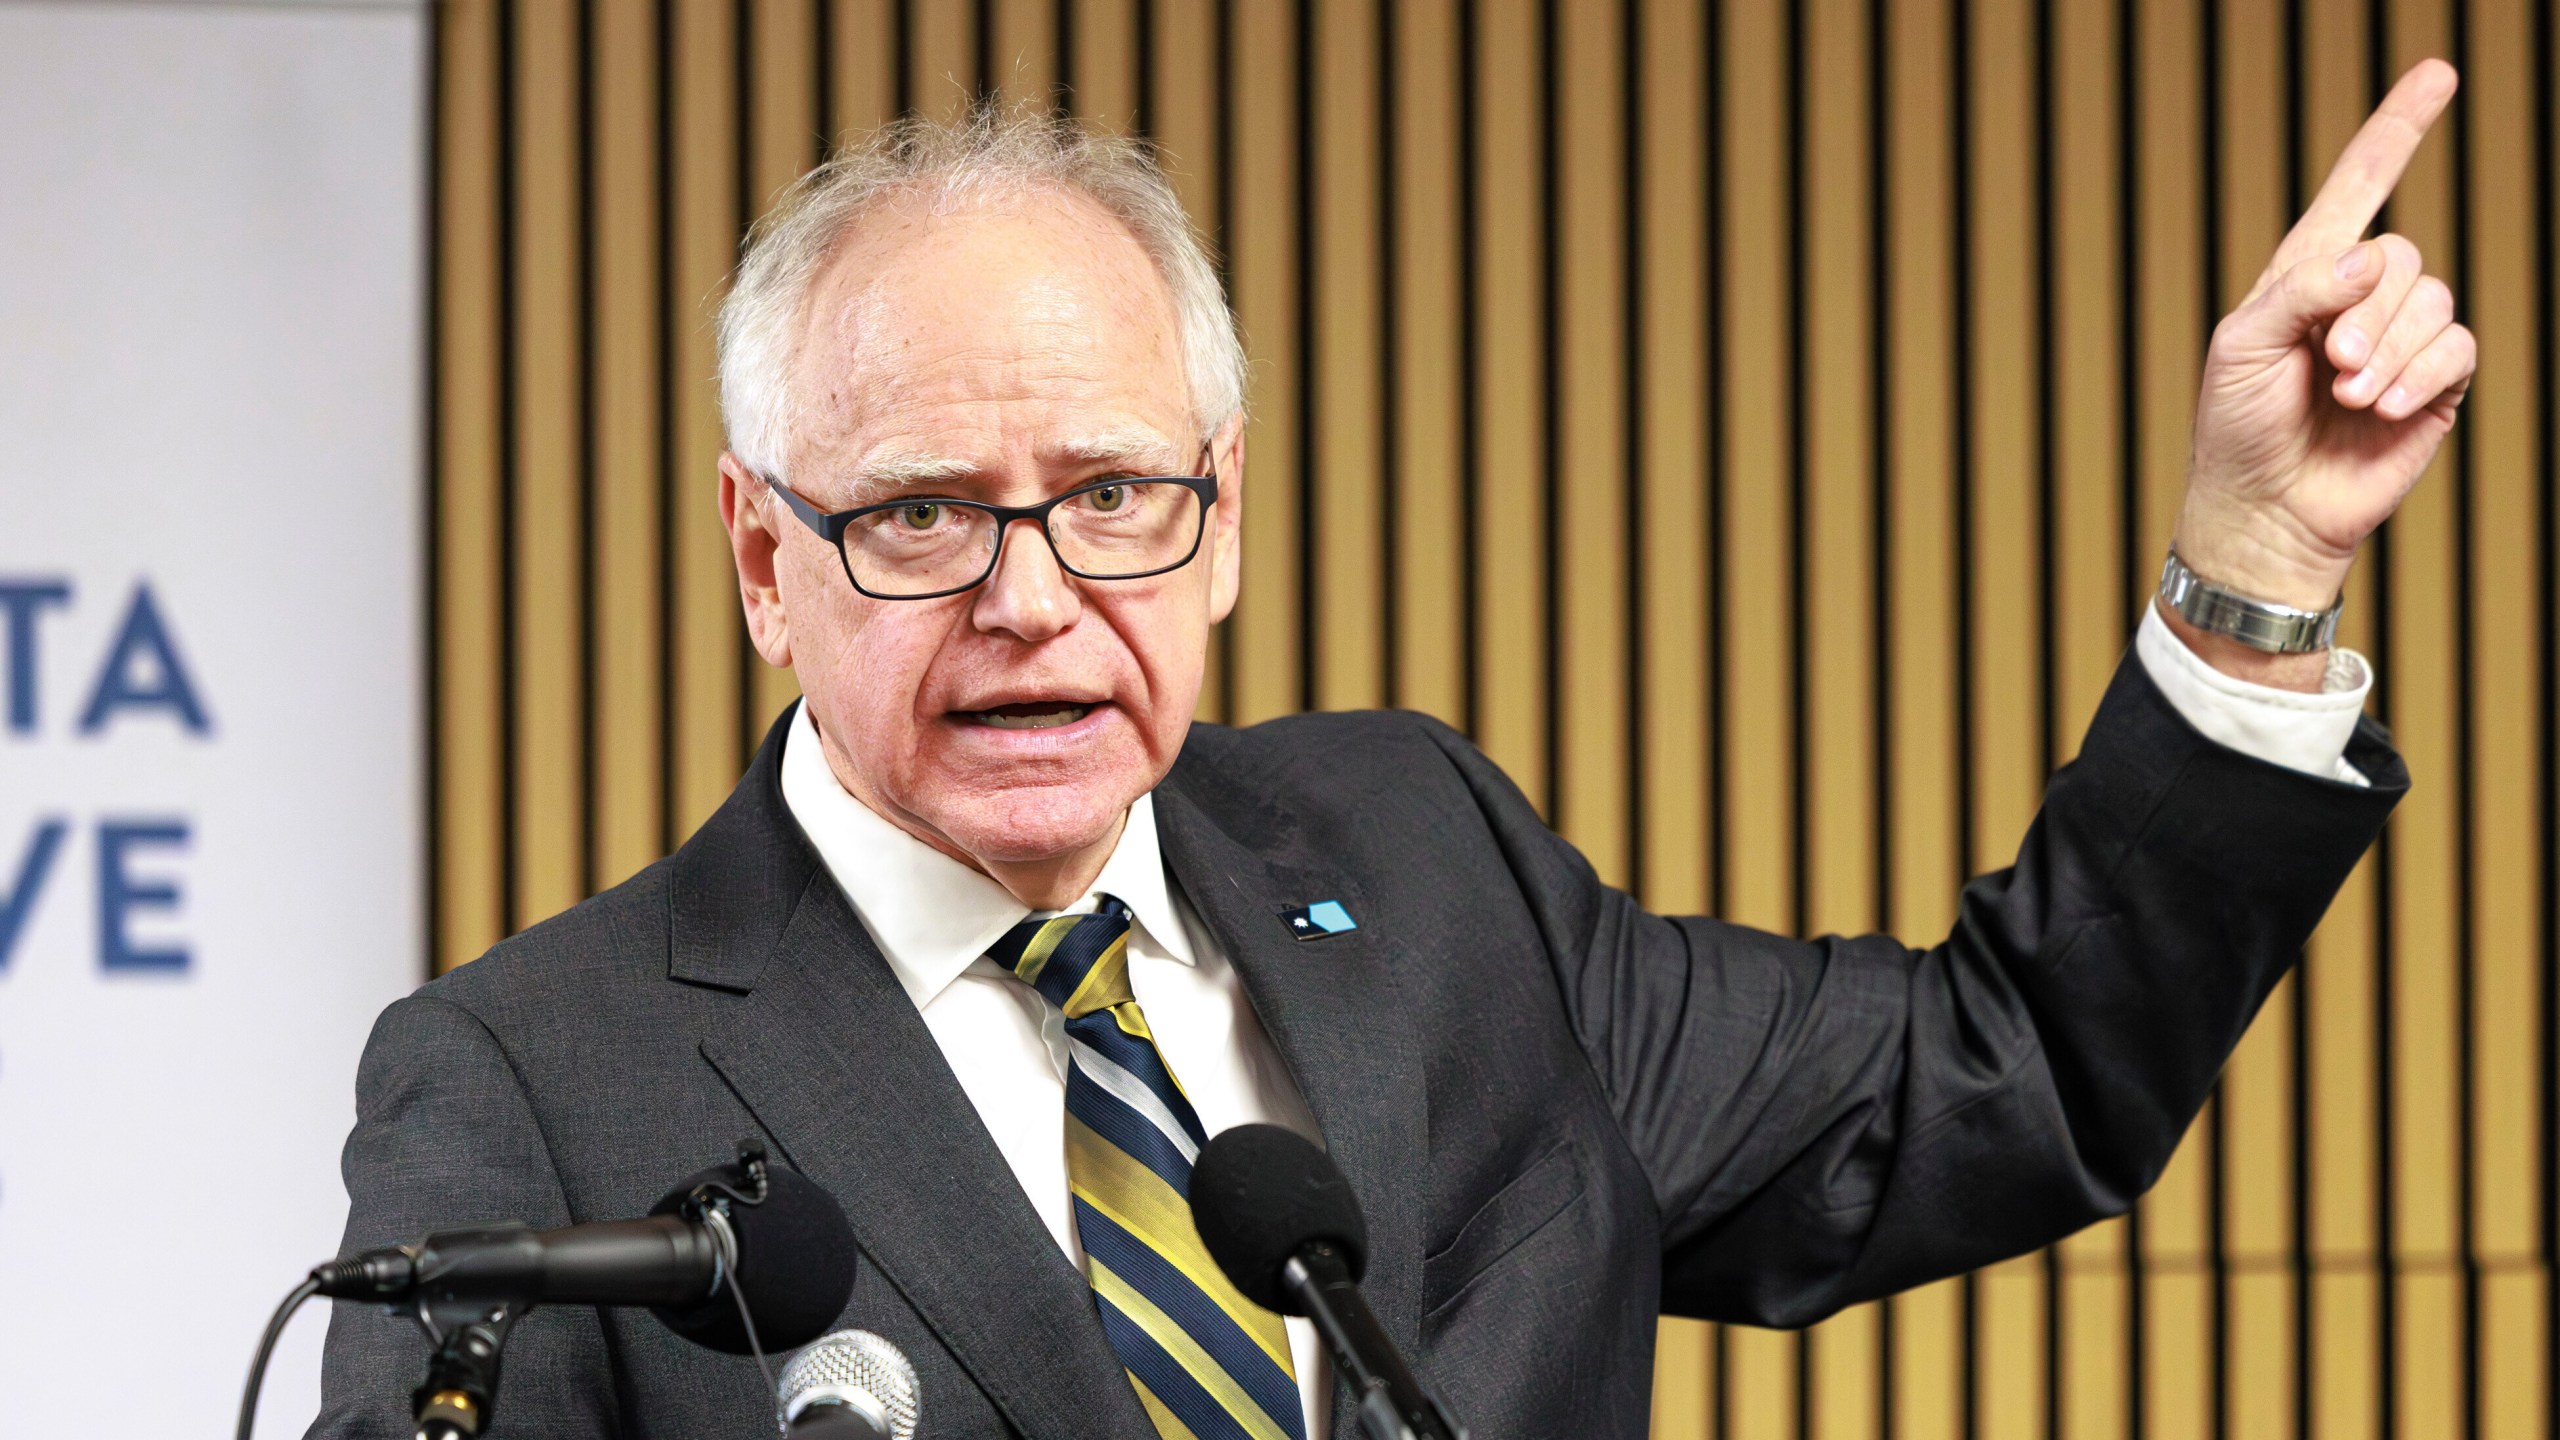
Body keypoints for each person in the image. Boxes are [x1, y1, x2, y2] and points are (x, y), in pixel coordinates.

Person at [313, 60, 2469, 1440]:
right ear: (758, 554)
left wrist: (2251, 560)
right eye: (915, 518)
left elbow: (2000, 1082)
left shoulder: (1424, 862)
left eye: (1112, 495)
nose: (1033, 596)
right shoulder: (532, 1082)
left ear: (1225, 513)